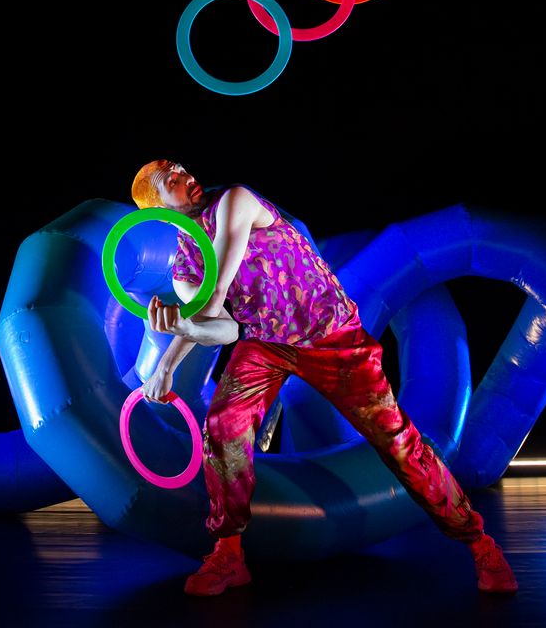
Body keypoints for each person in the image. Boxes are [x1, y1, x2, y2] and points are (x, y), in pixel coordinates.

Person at [130, 159, 518, 596]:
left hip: (333, 335)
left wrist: (177, 338)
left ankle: (479, 544)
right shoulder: (185, 266)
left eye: (181, 168)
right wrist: (173, 349)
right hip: (266, 343)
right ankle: (229, 553)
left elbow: (215, 294)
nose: (186, 176)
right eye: (172, 180)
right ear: (156, 210)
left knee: (398, 443)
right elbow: (222, 330)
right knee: (223, 425)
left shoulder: (233, 200)